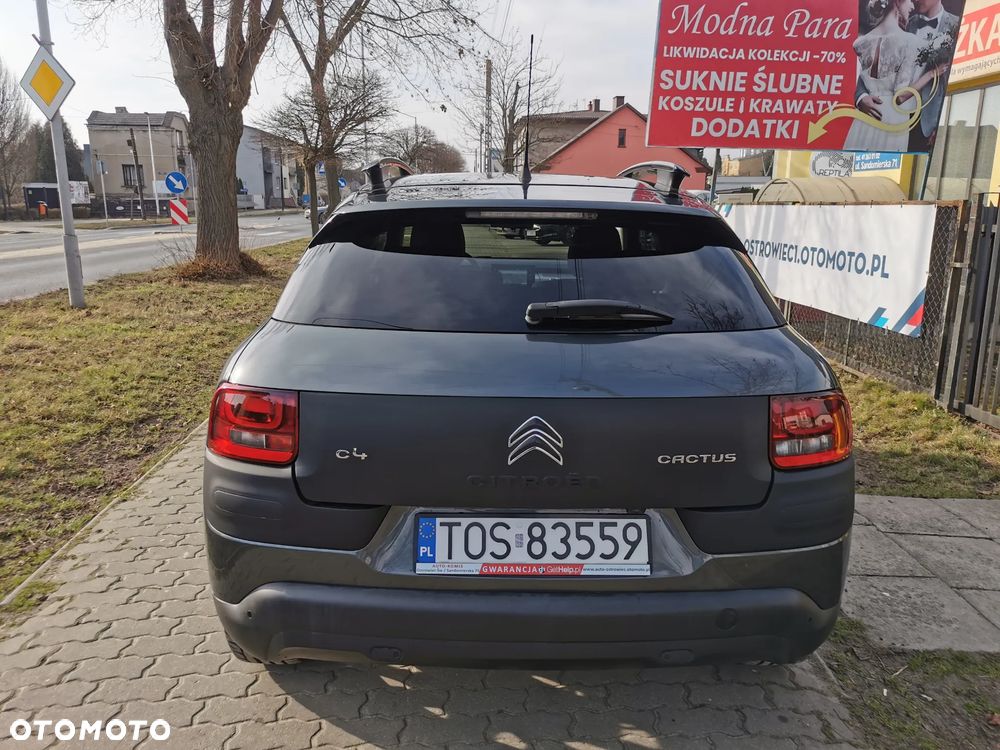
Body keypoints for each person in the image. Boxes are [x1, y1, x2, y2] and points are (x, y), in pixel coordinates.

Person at [855, 0, 960, 151]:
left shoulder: (956, 25)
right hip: (890, 116)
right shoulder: (900, 22)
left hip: (928, 123)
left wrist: (942, 125)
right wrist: (861, 96)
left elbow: (956, 78)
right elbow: (870, 66)